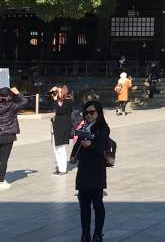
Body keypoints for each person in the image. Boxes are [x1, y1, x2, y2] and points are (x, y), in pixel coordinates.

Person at [72, 100, 110, 242]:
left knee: (97, 204)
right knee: (84, 206)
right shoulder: (85, 126)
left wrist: (91, 145)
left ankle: (98, 233)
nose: (88, 115)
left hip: (97, 171)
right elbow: (77, 143)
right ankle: (85, 234)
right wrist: (73, 156)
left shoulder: (103, 128)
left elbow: (103, 147)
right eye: (86, 112)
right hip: (83, 171)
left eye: (92, 112)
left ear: (98, 113)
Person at [0, 86, 28, 190]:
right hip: (8, 136)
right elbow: (25, 101)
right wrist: (17, 93)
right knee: (4, 160)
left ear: (0, 96)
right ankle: (1, 181)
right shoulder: (13, 106)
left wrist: (0, 98)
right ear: (9, 96)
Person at [49, 84, 74, 176]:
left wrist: (55, 100)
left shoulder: (68, 101)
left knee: (61, 149)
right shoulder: (59, 101)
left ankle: (63, 170)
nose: (57, 94)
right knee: (56, 149)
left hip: (63, 128)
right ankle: (60, 168)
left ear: (63, 92)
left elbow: (59, 110)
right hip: (57, 127)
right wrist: (52, 92)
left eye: (59, 91)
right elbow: (52, 102)